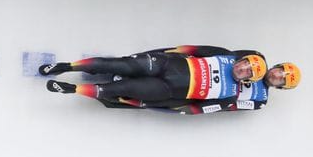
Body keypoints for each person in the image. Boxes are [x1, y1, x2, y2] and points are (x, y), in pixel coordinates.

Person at [40, 45, 268, 107]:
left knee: (119, 90)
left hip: (167, 90)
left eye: (247, 71)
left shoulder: (229, 96)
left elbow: (194, 107)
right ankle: (67, 66)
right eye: (245, 63)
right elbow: (192, 49)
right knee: (120, 65)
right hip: (167, 65)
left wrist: (163, 105)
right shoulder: (225, 55)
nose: (243, 68)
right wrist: (162, 53)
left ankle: (71, 90)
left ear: (247, 80)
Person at [106, 62, 301, 115]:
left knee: (164, 98)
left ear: (280, 87)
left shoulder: (260, 100)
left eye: (281, 80)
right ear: (277, 66)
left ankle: (123, 95)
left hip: (201, 95)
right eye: (280, 71)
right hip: (199, 75)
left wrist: (200, 108)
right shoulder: (257, 61)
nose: (276, 76)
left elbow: (230, 106)